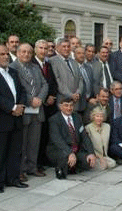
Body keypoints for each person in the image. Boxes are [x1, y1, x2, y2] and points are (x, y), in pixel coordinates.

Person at [0, 44, 28, 193]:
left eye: (6, 54)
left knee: (15, 151)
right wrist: (12, 108)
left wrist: (21, 105)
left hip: (17, 118)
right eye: (2, 54)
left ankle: (13, 178)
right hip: (0, 120)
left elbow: (22, 90)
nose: (5, 57)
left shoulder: (13, 71)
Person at [11, 43, 48, 179]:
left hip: (38, 109)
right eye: (23, 52)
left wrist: (40, 98)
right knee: (22, 143)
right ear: (18, 53)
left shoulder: (35, 67)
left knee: (34, 142)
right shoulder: (12, 68)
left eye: (29, 52)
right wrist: (30, 99)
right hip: (24, 110)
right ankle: (20, 170)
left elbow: (45, 84)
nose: (26, 54)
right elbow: (16, 88)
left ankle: (32, 167)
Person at [47, 98, 97, 179]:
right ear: (60, 107)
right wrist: (69, 153)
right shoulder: (54, 120)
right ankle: (65, 167)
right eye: (66, 105)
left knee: (88, 162)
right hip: (60, 150)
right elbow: (57, 140)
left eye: (71, 105)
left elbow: (84, 136)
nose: (69, 108)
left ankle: (72, 166)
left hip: (76, 150)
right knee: (64, 159)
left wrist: (91, 153)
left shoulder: (77, 117)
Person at [33, 39, 58, 170]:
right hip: (38, 105)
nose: (43, 51)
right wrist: (44, 98)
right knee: (37, 136)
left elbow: (53, 82)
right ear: (36, 50)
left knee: (46, 134)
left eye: (45, 48)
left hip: (50, 105)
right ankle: (36, 162)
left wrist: (52, 96)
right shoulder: (32, 64)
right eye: (41, 48)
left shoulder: (48, 64)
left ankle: (44, 159)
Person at [49, 39, 85, 112]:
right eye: (64, 46)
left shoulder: (74, 61)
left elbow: (80, 79)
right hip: (62, 100)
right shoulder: (53, 61)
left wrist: (78, 92)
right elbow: (57, 80)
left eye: (68, 46)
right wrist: (70, 94)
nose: (66, 49)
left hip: (75, 101)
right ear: (58, 48)